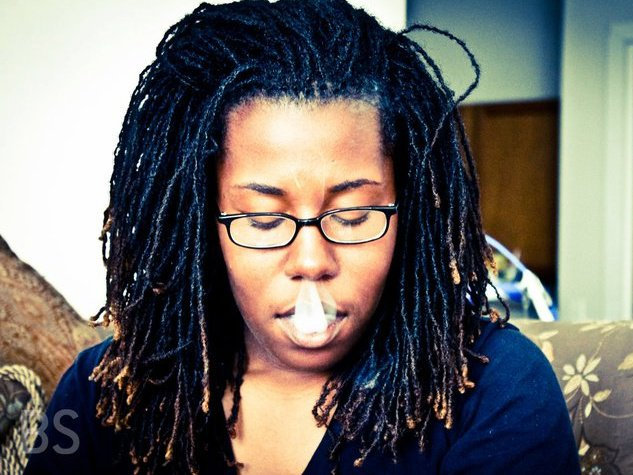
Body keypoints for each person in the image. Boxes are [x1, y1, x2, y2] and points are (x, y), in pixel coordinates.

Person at [24, 0, 580, 473]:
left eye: (354, 216)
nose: (312, 261)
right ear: (203, 224)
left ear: (408, 210)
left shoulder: (497, 390)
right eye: (264, 221)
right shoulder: (101, 398)